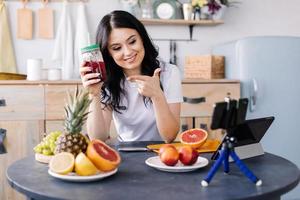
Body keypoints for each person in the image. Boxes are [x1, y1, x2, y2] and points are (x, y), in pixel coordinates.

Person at [80, 10, 183, 143]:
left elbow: (169, 137)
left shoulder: (169, 73)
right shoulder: (107, 80)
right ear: (108, 53)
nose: (128, 52)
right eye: (117, 48)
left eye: (132, 41)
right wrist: (94, 95)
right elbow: (98, 138)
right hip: (126, 152)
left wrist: (157, 95)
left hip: (162, 153)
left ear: (142, 38)